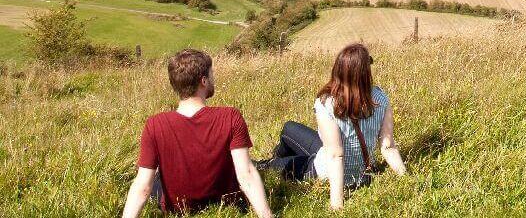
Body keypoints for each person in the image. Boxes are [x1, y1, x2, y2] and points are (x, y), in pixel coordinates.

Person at [122, 49, 273, 217]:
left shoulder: (154, 124)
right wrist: (267, 215)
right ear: (204, 81)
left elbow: (143, 187)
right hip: (228, 204)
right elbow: (246, 174)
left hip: (178, 209)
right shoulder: (230, 117)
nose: (213, 78)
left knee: (156, 177)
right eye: (211, 74)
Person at [261, 43, 407, 210]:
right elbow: (387, 147)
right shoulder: (381, 98)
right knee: (289, 128)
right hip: (364, 172)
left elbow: (335, 155)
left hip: (324, 170)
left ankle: (271, 161)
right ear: (367, 72)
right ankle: (278, 155)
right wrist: (406, 179)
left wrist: (336, 204)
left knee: (269, 165)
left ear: (338, 71)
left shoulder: (327, 103)